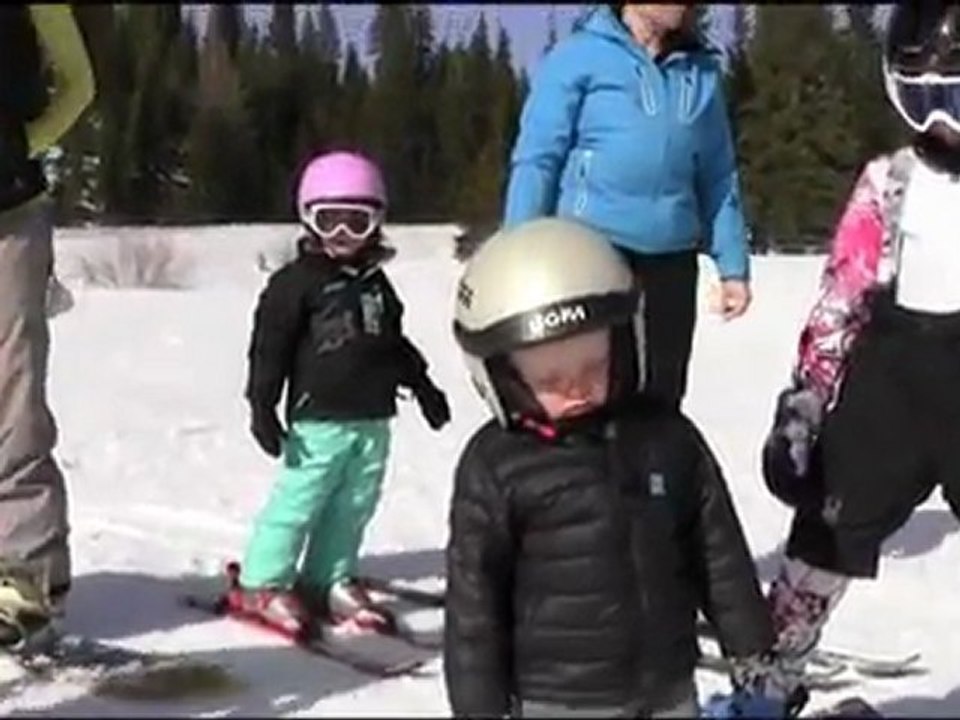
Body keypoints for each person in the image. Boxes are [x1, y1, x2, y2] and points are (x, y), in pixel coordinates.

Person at [444, 217, 801, 718]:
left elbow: (715, 546)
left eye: (593, 366)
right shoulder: (497, 465)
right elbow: (474, 599)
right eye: (550, 378)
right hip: (561, 697)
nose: (576, 388)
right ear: (502, 377)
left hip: (667, 685)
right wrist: (477, 705)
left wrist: (749, 641)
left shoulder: (665, 437)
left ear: (625, 344)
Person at [761, 0, 960, 682]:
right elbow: (841, 299)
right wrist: (804, 405)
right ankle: (771, 671)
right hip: (889, 386)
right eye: (926, 102)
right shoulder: (890, 181)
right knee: (827, 527)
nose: (943, 123)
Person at [234, 151, 450, 637]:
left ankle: (328, 576)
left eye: (357, 222)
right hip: (318, 420)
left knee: (354, 504)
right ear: (307, 218)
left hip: (372, 416)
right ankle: (262, 582)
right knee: (299, 502)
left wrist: (423, 385)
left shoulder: (375, 285)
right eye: (329, 221)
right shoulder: (294, 284)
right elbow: (268, 349)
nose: (343, 235)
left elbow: (392, 343)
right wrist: (262, 405)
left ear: (378, 222)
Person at [502, 3, 751, 409]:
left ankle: (658, 453)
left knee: (663, 392)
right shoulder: (579, 56)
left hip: (672, 259)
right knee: (598, 387)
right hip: (592, 252)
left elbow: (718, 174)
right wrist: (518, 253)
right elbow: (538, 159)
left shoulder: (700, 72)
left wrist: (733, 266)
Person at [0, 4, 95, 644]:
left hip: (9, 216)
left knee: (13, 393)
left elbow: (78, 84)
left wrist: (21, 144)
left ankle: (26, 579)